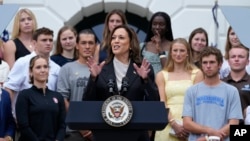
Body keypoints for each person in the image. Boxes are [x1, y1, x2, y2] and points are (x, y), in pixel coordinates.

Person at [82, 25, 159, 141]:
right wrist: (93, 79)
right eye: (113, 38)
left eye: (121, 38)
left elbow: (154, 102)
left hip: (135, 134)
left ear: (131, 44)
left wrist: (145, 80)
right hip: (105, 133)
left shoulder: (142, 68)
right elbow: (87, 102)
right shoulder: (101, 68)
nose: (116, 41)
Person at [182, 47, 243, 141]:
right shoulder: (191, 91)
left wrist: (208, 138)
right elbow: (187, 123)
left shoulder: (232, 91)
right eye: (205, 62)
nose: (208, 66)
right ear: (201, 65)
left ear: (220, 64)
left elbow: (234, 123)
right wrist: (209, 130)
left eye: (212, 62)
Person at [154, 38, 204, 141]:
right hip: (168, 122)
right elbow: (162, 102)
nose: (178, 54)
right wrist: (174, 124)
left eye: (182, 51)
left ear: (187, 53)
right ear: (170, 53)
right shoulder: (161, 75)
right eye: (175, 50)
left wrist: (188, 125)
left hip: (190, 123)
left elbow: (198, 103)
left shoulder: (197, 73)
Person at [3, 27, 60, 116]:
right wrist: (10, 116)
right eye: (44, 40)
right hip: (24, 118)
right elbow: (9, 89)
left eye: (50, 40)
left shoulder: (57, 68)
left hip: (49, 120)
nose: (48, 43)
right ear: (34, 43)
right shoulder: (22, 62)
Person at [57, 29, 97, 141]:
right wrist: (80, 125)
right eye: (83, 43)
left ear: (95, 46)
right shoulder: (67, 69)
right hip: (73, 131)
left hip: (97, 130)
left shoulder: (102, 70)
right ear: (77, 46)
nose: (87, 46)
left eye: (91, 43)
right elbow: (63, 100)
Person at [15, 55, 65, 141]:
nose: (42, 70)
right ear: (31, 71)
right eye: (38, 67)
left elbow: (62, 125)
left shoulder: (58, 96)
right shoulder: (24, 95)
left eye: (45, 67)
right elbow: (24, 126)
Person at [222, 46, 250, 124]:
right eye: (233, 56)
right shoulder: (220, 83)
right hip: (223, 130)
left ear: (248, 61)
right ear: (228, 61)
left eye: (241, 56)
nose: (236, 59)